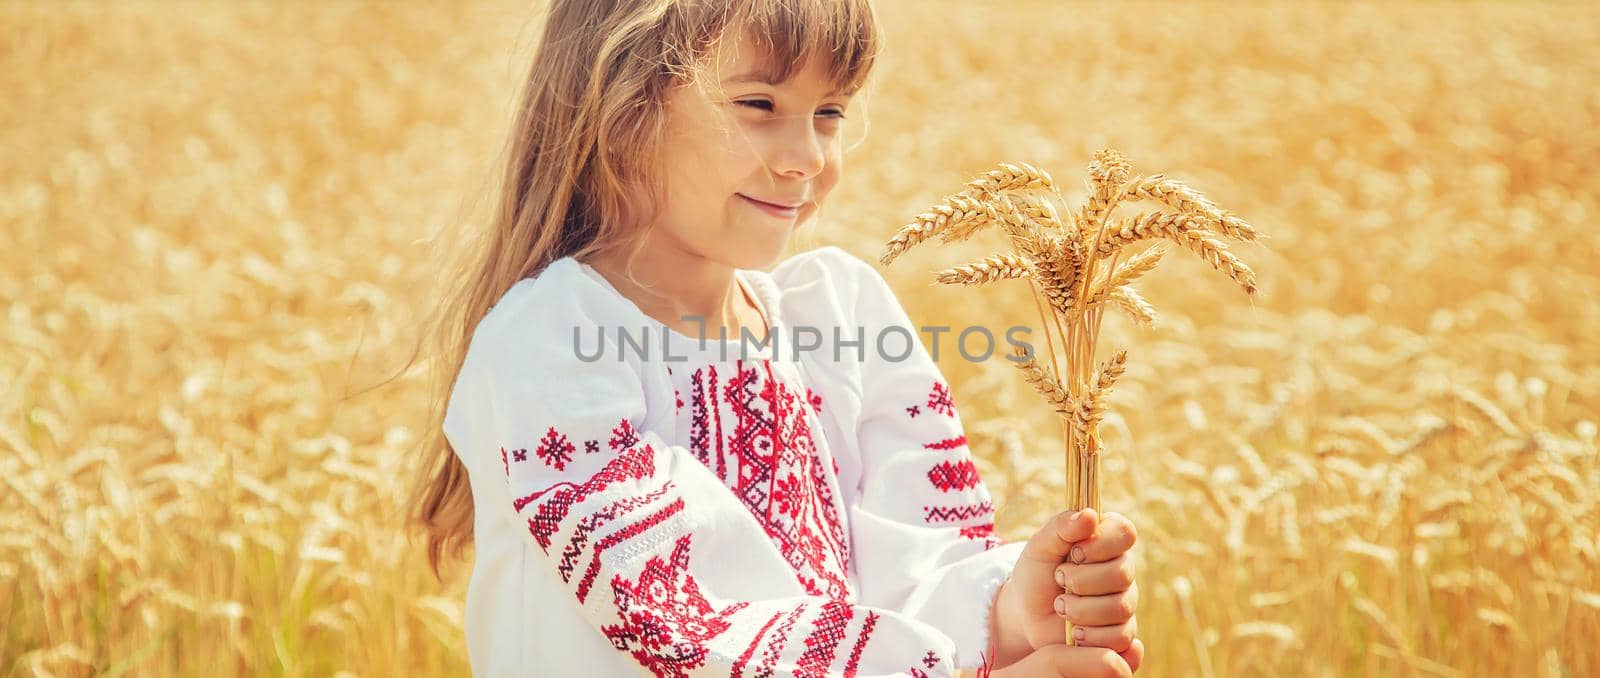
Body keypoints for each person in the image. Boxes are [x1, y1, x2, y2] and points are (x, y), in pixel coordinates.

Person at [404, 0, 1142, 675]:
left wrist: (1011, 612)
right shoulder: (553, 343)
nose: (808, 157)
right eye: (759, 103)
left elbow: (909, 569)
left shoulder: (840, 321)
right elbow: (698, 623)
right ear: (621, 106)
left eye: (829, 112)